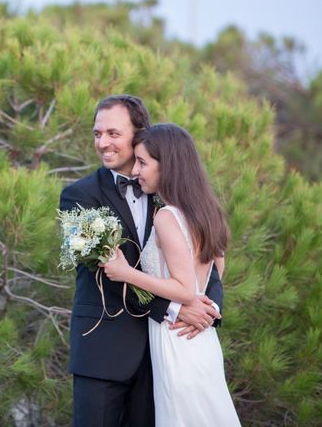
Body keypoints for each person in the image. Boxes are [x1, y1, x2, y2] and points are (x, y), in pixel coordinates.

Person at [59, 95, 224, 426]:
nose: (102, 143)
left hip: (161, 356)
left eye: (113, 133)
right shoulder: (79, 196)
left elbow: (202, 257)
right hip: (102, 352)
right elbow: (106, 275)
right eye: (97, 134)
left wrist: (208, 309)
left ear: (138, 134)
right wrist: (176, 306)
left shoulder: (168, 192)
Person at [101, 123, 240, 426]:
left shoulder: (167, 215)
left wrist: (126, 273)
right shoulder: (206, 211)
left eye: (143, 162)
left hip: (175, 339)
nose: (136, 171)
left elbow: (185, 289)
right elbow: (217, 267)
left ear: (168, 165)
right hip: (201, 340)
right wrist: (207, 303)